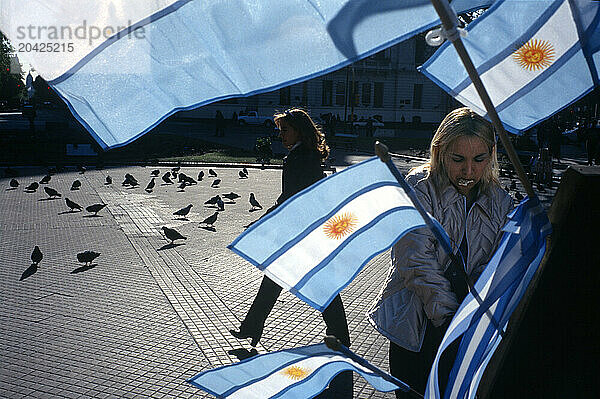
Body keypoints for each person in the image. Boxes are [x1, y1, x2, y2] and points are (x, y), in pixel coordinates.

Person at [367, 107, 513, 397]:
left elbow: (496, 265)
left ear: (492, 155)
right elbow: (416, 260)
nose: (468, 171)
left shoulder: (500, 199)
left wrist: (473, 319)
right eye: (458, 159)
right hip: (419, 331)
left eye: (479, 159)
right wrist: (451, 321)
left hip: (468, 334)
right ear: (440, 151)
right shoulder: (420, 187)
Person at [229, 107, 352, 397]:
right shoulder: (305, 153)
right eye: (280, 129)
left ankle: (341, 341)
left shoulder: (300, 156)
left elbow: (292, 197)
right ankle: (252, 327)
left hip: (304, 236)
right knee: (276, 279)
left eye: (285, 129)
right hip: (305, 232)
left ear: (298, 130)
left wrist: (266, 219)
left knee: (322, 290)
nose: (280, 134)